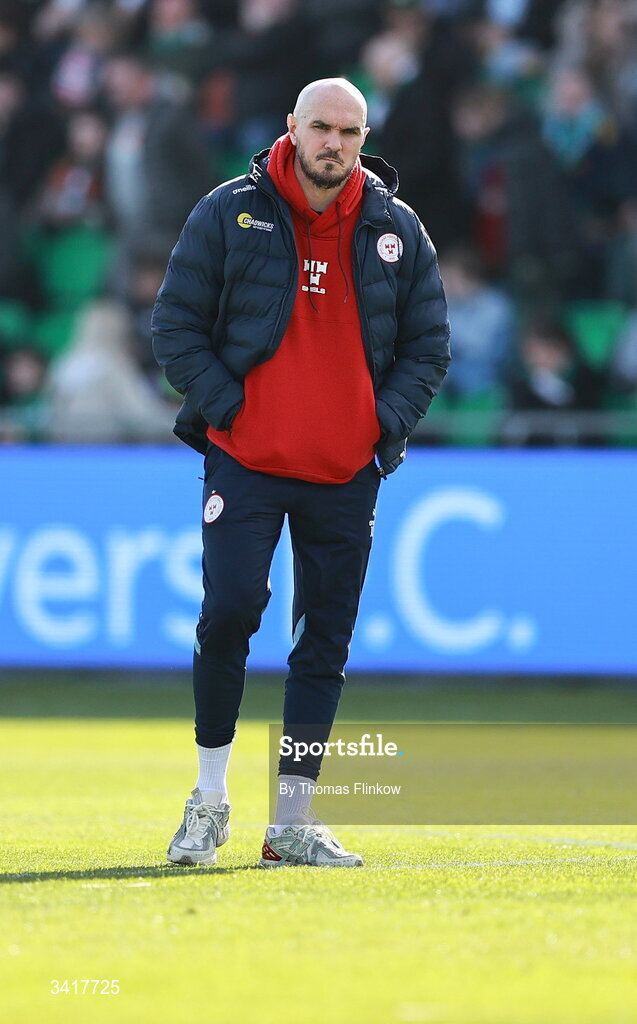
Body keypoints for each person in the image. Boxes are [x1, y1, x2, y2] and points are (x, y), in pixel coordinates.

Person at [152, 77, 450, 868]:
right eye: (322, 128)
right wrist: (231, 409)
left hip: (344, 472)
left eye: (350, 133)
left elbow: (428, 345)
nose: (336, 145)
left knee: (324, 643)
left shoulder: (395, 225)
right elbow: (173, 325)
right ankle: (208, 801)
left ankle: (291, 822)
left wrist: (378, 425)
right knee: (231, 611)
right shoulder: (228, 210)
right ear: (291, 126)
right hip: (246, 459)